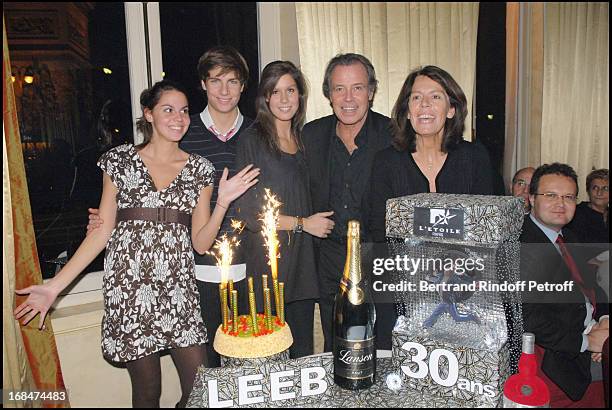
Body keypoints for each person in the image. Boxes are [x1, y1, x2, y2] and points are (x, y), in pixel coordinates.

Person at [14, 80, 260, 407]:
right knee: (147, 393)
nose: (178, 117)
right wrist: (54, 287)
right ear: (149, 114)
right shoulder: (120, 162)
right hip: (130, 291)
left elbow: (201, 243)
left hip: (178, 291)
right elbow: (100, 232)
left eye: (184, 110)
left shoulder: (200, 169)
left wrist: (223, 202)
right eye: (168, 109)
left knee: (200, 390)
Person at [87, 46, 253, 368]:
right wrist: (110, 218)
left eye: (232, 81)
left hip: (243, 268)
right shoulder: (182, 132)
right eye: (216, 80)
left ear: (243, 86)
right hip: (189, 272)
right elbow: (141, 193)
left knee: (232, 376)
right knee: (196, 376)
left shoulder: (256, 133)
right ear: (203, 83)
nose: (224, 90)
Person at [366, 65, 495, 348]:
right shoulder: (386, 162)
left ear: (451, 109)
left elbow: (487, 232)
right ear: (407, 110)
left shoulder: (474, 157)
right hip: (401, 290)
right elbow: (380, 232)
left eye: (435, 97)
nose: (424, 105)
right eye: (416, 98)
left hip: (465, 289)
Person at [235, 60, 334, 359]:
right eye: (275, 91)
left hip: (304, 266)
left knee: (302, 357)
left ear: (300, 96)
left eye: (290, 90)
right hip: (268, 269)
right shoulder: (252, 140)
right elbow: (251, 215)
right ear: (265, 97)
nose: (284, 98)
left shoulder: (306, 140)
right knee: (268, 362)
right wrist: (304, 223)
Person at [302, 53, 393, 352]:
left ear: (371, 91)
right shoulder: (312, 135)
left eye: (357, 87)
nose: (348, 97)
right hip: (328, 255)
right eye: (339, 88)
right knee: (335, 340)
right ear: (329, 94)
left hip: (378, 255)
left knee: (379, 341)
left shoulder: (394, 136)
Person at [520, 162, 608, 407]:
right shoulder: (518, 245)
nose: (561, 204)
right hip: (555, 362)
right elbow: (527, 317)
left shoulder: (570, 236)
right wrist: (588, 342)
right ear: (531, 198)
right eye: (551, 195)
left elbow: (598, 286)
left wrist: (604, 321)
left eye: (569, 197)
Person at [567, 168, 609, 244]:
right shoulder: (575, 214)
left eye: (605, 188)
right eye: (595, 188)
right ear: (588, 191)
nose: (599, 193)